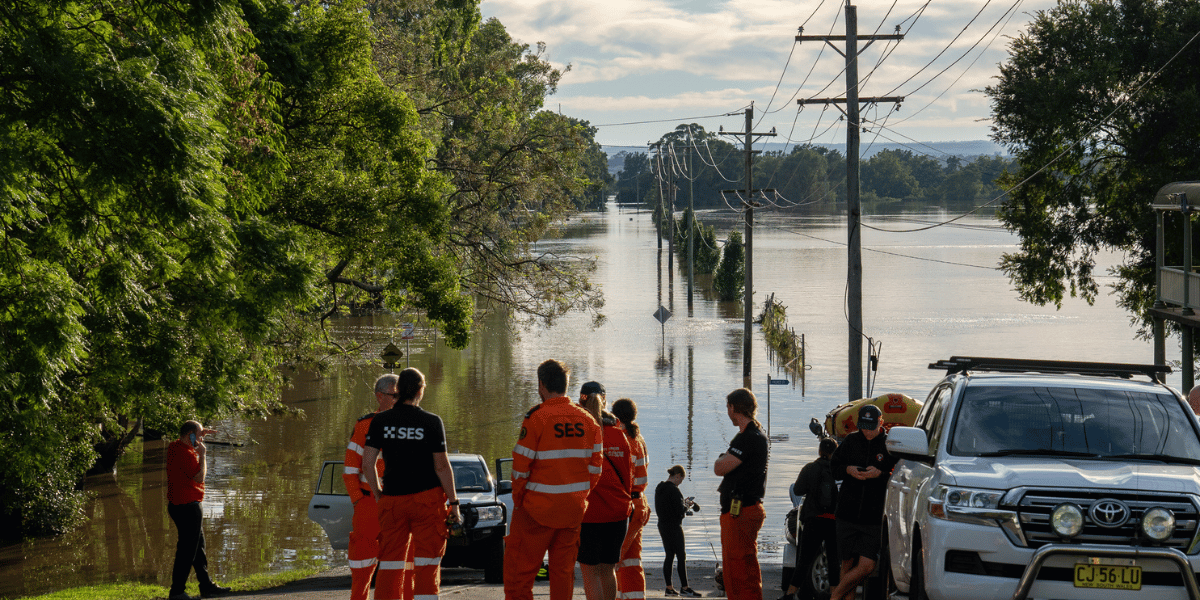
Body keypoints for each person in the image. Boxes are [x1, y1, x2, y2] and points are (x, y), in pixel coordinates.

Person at [504, 360, 604, 600]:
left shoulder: (537, 418)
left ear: (541, 384)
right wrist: (577, 497)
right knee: (563, 577)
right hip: (572, 512)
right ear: (566, 385)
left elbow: (520, 468)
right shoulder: (589, 421)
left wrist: (519, 500)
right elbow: (595, 469)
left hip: (535, 511)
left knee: (520, 577)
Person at [362, 367, 461, 600]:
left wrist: (378, 494)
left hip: (393, 500)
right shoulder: (432, 422)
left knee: (390, 564)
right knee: (427, 563)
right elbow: (442, 467)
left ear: (398, 391)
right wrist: (454, 502)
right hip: (426, 501)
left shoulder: (381, 421)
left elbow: (367, 463)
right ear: (420, 390)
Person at [343, 374, 413, 600]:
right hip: (369, 504)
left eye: (401, 395)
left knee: (402, 565)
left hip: (401, 504)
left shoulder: (414, 423)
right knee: (362, 564)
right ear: (380, 396)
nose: (399, 399)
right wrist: (358, 501)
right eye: (394, 395)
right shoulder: (365, 425)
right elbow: (350, 471)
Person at [827, 405, 898, 600]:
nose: (866, 431)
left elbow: (899, 475)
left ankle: (835, 596)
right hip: (847, 511)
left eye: (871, 426)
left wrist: (880, 474)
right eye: (863, 426)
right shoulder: (851, 440)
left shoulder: (889, 444)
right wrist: (849, 469)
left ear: (881, 422)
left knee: (867, 565)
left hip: (873, 515)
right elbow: (834, 467)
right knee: (847, 562)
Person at [165, 420, 232, 600]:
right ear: (190, 436)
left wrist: (201, 432)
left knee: (198, 548)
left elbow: (188, 434)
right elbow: (199, 477)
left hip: (178, 505)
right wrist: (203, 455)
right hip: (188, 507)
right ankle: (177, 591)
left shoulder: (174, 447)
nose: (202, 438)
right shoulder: (187, 454)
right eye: (200, 434)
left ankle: (206, 586)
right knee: (187, 550)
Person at [579, 383, 634, 600]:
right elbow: (628, 477)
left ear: (581, 400)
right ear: (605, 400)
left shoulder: (581, 433)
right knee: (608, 569)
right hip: (618, 513)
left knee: (589, 571)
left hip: (589, 513)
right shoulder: (620, 435)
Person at [714, 388, 770, 600]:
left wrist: (722, 458)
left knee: (739, 569)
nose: (727, 412)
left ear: (733, 408)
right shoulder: (756, 434)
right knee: (739, 567)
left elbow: (720, 468)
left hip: (741, 511)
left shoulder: (748, 438)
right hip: (744, 508)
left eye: (727, 407)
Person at [780, 438, 840, 600]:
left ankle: (790, 594)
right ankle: (834, 595)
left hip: (813, 519)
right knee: (834, 560)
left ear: (819, 451)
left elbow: (798, 490)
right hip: (833, 520)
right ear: (835, 452)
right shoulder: (839, 471)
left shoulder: (810, 468)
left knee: (804, 560)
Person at [612, 398, 650, 600]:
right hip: (640, 503)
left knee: (615, 559)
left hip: (626, 505)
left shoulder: (619, 439)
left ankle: (619, 596)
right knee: (632, 559)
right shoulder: (639, 439)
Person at [654, 465, 701, 597]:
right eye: (681, 479)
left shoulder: (660, 488)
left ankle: (669, 588)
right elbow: (680, 512)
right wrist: (686, 505)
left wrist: (682, 504)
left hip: (662, 525)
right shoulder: (674, 490)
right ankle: (685, 587)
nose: (680, 482)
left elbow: (668, 506)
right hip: (674, 526)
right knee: (681, 556)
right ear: (677, 476)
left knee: (669, 555)